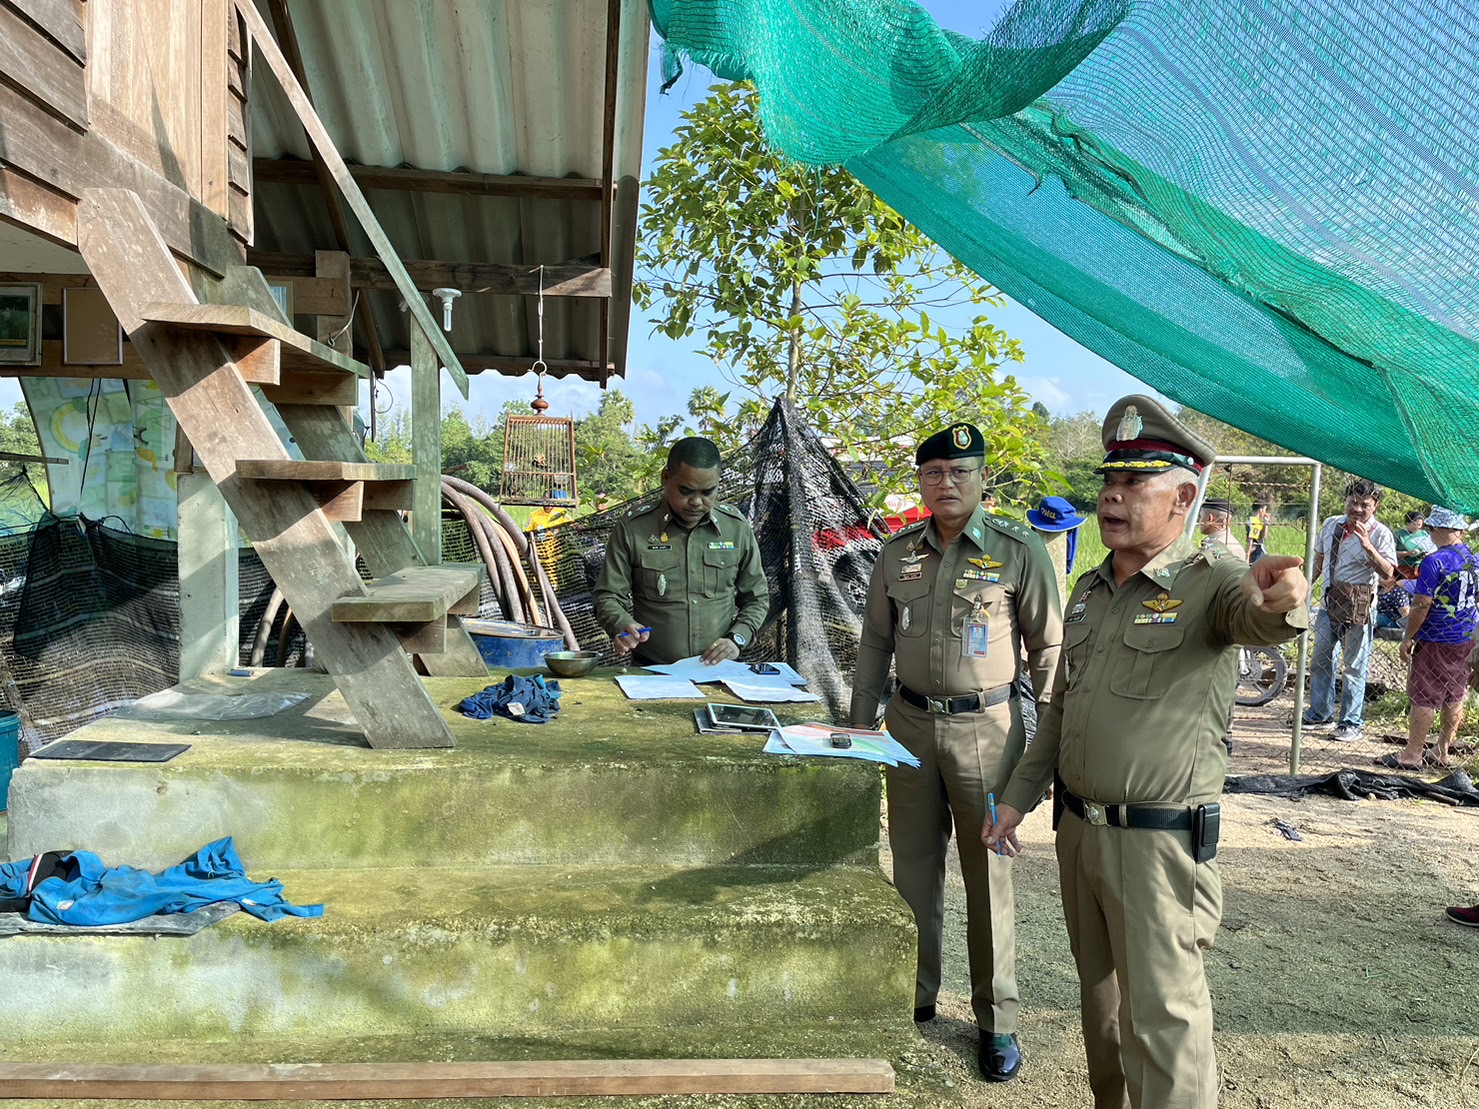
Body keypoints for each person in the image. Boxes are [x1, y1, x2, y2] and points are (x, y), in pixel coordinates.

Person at [981, 394, 1309, 1109]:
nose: (1111, 496)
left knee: (1164, 1021)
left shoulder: (1213, 579)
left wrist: (1282, 600)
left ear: (1183, 498)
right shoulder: (1090, 589)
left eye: (1135, 483)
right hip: (1079, 832)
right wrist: (1016, 798)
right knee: (1101, 1014)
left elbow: (1256, 618)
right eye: (1109, 482)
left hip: (1157, 844)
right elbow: (1062, 706)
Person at [850, 422, 1062, 1084]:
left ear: (980, 478)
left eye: (961, 471)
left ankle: (996, 1021)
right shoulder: (897, 553)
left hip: (987, 732)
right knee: (912, 869)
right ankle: (914, 996)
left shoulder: (1017, 550)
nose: (947, 483)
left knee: (987, 877)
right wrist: (860, 728)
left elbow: (1048, 649)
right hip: (908, 727)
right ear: (921, 480)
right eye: (935, 472)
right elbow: (874, 643)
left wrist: (1048, 746)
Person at [593, 437, 769, 665]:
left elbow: (757, 598)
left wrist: (737, 639)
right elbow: (608, 595)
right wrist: (621, 624)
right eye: (686, 491)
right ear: (666, 478)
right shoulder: (634, 528)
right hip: (653, 671)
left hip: (719, 671)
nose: (696, 501)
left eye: (708, 492)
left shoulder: (735, 528)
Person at [1304, 478, 1397, 741]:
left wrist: (1368, 546)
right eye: (1352, 502)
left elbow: (1388, 573)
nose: (1357, 509)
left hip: (1360, 609)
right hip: (1329, 604)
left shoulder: (1381, 534)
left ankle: (1351, 722)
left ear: (1375, 506)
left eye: (1364, 505)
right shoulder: (1331, 524)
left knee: (1355, 666)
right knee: (1321, 659)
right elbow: (1319, 560)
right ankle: (1319, 714)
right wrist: (1303, 587)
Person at [1387, 507, 1479, 770]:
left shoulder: (1434, 561)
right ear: (1461, 531)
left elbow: (1422, 603)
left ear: (1437, 529)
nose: (1429, 532)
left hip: (1436, 637)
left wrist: (1409, 636)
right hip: (1466, 635)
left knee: (1425, 694)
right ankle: (1441, 750)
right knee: (1455, 693)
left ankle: (1413, 753)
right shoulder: (1473, 559)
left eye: (1431, 528)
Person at [1394, 509, 1435, 575]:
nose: (1416, 527)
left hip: (1424, 563)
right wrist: (1407, 553)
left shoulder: (1424, 533)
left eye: (1419, 525)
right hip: (1406, 566)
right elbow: (1392, 552)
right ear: (1408, 522)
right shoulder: (1399, 534)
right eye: (1414, 524)